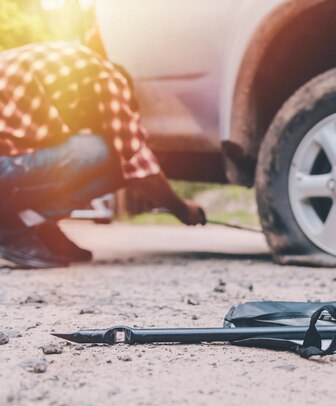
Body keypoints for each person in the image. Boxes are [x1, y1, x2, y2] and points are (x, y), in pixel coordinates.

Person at [0, 41, 206, 269]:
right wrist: (183, 210)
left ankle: (32, 222)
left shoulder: (62, 72)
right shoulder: (109, 77)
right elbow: (138, 163)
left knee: (100, 152)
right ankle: (7, 225)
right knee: (103, 152)